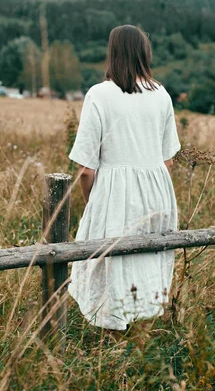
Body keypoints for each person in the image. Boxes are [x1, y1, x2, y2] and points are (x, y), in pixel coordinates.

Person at [67, 24, 181, 331]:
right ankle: (141, 336)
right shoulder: (162, 95)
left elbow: (86, 169)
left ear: (113, 53)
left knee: (110, 264)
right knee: (147, 260)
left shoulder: (99, 95)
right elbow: (167, 158)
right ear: (145, 52)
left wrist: (93, 200)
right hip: (158, 192)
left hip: (114, 192)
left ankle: (113, 342)